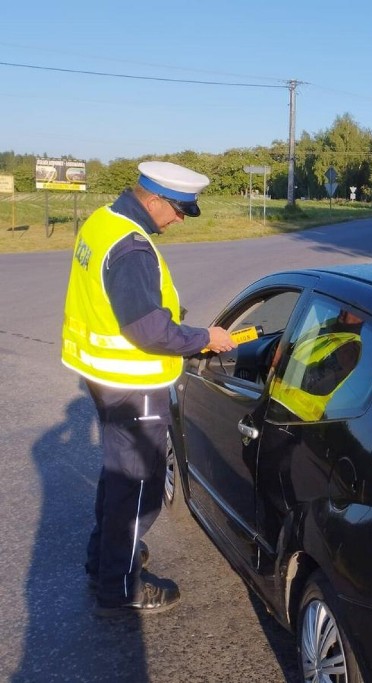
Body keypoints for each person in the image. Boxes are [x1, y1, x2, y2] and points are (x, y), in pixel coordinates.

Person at [61, 160, 235, 616]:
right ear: (154, 199)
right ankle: (119, 587)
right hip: (132, 382)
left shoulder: (103, 221)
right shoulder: (132, 248)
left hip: (102, 377)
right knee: (138, 486)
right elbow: (149, 331)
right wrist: (203, 339)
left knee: (119, 475)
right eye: (178, 210)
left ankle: (104, 561)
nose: (180, 219)